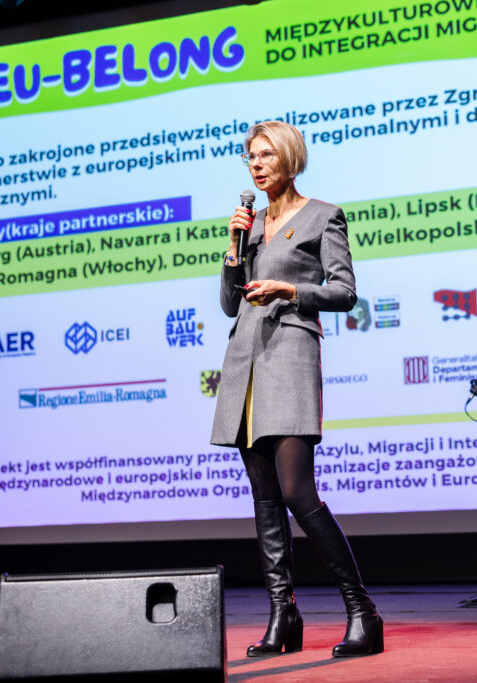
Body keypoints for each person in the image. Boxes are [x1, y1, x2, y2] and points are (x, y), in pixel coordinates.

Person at [210, 121, 383, 658]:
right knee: (264, 499)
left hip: (288, 355)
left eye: (265, 155)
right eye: (250, 157)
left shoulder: (322, 216)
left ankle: (362, 611)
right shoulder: (252, 225)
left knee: (296, 493)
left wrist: (290, 289)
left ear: (288, 158)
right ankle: (283, 614)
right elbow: (229, 304)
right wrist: (233, 248)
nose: (256, 164)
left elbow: (345, 292)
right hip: (245, 363)